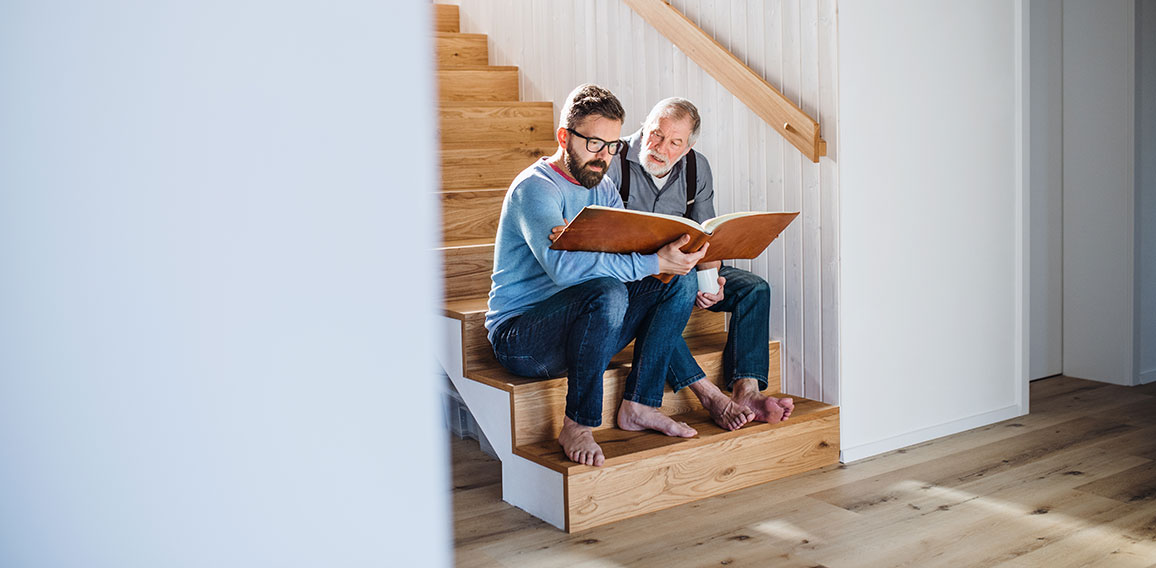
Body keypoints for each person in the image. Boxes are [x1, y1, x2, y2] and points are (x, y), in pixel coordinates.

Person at [485, 84, 709, 467]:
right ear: (563, 137)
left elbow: (621, 254)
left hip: (583, 330)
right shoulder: (536, 190)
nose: (603, 156)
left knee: (679, 279)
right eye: (593, 144)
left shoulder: (603, 188)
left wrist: (648, 261)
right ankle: (577, 423)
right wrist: (607, 257)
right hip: (523, 338)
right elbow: (566, 271)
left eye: (611, 146)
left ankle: (639, 403)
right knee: (606, 290)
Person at [608, 97, 794, 431]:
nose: (661, 147)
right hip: (633, 273)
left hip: (685, 266)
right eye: (655, 134)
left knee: (754, 289)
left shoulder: (697, 168)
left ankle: (746, 391)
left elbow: (706, 236)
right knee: (663, 297)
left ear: (689, 146)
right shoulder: (614, 160)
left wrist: (710, 285)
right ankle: (707, 395)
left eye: (675, 142)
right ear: (643, 126)